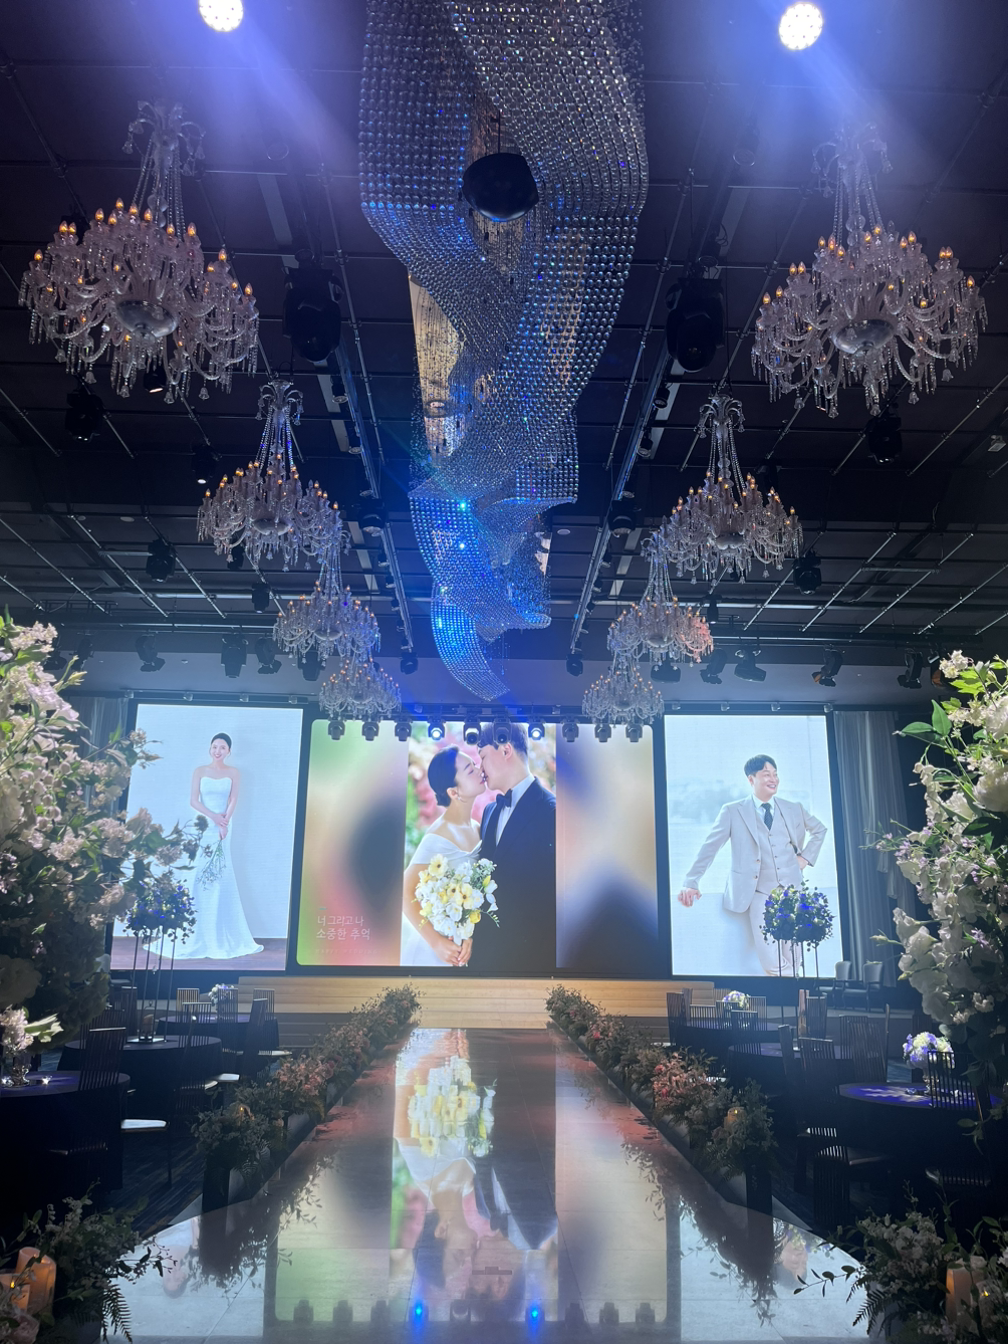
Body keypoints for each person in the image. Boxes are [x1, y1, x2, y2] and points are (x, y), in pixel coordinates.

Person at [677, 753, 827, 975]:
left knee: (794, 956)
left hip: (792, 890)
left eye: (775, 774)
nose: (773, 779)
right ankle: (796, 991)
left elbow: (820, 830)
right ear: (751, 779)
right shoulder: (733, 811)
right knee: (772, 960)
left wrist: (804, 859)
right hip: (758, 893)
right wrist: (691, 881)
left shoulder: (793, 808)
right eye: (767, 774)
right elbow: (710, 847)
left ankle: (798, 996)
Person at [471, 723, 556, 975]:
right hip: (484, 962)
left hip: (531, 964)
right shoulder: (489, 812)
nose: (480, 768)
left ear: (506, 750)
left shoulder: (553, 812)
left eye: (483, 756)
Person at [176, 732, 262, 961]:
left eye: (222, 747)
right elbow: (194, 800)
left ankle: (218, 928)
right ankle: (192, 929)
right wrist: (214, 817)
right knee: (196, 872)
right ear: (210, 748)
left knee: (220, 874)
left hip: (223, 826)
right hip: (203, 825)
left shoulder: (234, 773)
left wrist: (224, 822)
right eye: (215, 746)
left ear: (229, 751)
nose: (218, 751)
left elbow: (233, 799)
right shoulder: (200, 771)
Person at [401, 746, 485, 967]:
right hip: (432, 954)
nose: (479, 770)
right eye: (470, 770)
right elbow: (404, 893)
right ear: (453, 792)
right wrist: (436, 943)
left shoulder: (478, 828)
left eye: (475, 765)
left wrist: (468, 934)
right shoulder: (438, 836)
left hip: (462, 950)